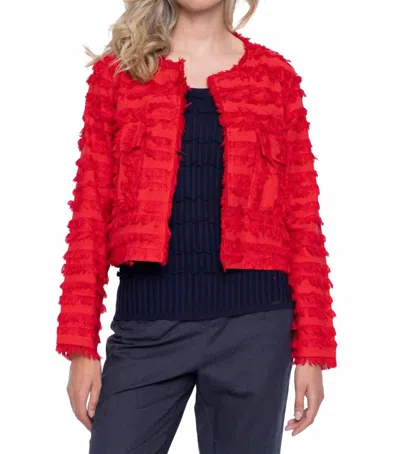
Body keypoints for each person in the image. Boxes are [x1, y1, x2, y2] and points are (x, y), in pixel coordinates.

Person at [56, 1, 337, 452]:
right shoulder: (119, 75)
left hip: (254, 329)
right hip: (147, 326)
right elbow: (89, 214)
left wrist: (313, 350)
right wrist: (80, 346)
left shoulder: (274, 77)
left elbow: (303, 219)